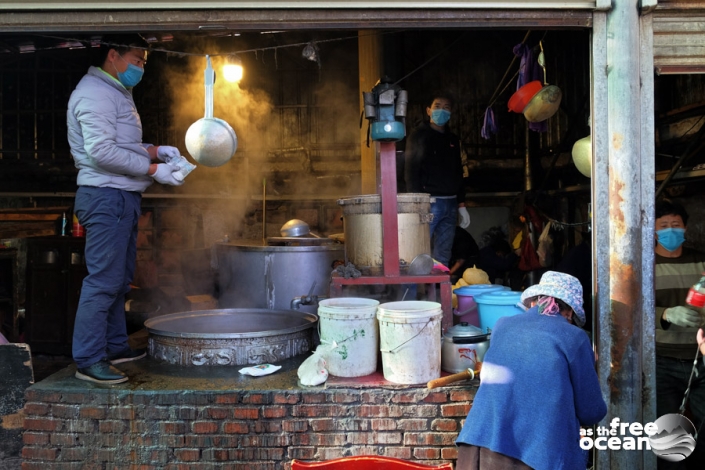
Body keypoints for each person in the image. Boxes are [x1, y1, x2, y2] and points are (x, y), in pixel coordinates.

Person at [67, 34, 185, 384]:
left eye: (144, 62)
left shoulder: (116, 91)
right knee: (103, 281)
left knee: (119, 280)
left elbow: (123, 145)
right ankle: (88, 359)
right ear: (113, 55)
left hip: (121, 197)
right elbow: (101, 153)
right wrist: (153, 170)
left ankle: (116, 346)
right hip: (106, 198)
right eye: (137, 59)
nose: (141, 67)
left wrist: (157, 150)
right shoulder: (94, 94)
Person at [456, 271, 606, 470]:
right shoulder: (574, 338)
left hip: (478, 444)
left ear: (534, 303)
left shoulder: (502, 325)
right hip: (533, 456)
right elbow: (591, 412)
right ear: (569, 312)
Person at [653, 199, 705, 469]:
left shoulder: (701, 261)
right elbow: (632, 312)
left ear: (685, 227)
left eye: (676, 224)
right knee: (669, 434)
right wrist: (666, 314)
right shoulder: (644, 264)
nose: (671, 230)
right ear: (653, 230)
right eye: (664, 226)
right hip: (663, 360)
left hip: (701, 358)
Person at [404, 92, 469, 267]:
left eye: (446, 108)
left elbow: (459, 171)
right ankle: (412, 292)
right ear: (428, 110)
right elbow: (411, 170)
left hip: (451, 203)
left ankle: (438, 293)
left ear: (451, 112)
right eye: (437, 107)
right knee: (419, 250)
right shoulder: (418, 136)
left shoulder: (453, 139)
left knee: (443, 253)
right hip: (429, 202)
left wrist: (461, 204)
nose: (442, 111)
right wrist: (416, 202)